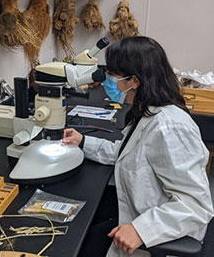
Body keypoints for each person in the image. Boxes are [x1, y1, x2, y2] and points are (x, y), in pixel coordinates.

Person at [62, 36, 214, 257]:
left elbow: (196, 205)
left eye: (112, 75)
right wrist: (83, 142)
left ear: (133, 81)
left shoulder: (170, 128)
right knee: (81, 234)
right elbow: (129, 154)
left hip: (156, 240)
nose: (107, 82)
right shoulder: (147, 111)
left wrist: (141, 230)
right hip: (133, 215)